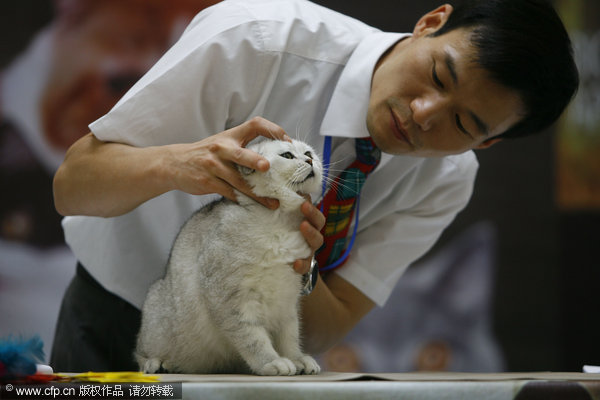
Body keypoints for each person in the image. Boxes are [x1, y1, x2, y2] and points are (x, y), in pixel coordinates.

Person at [50, 0, 578, 371]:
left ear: (484, 145)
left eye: (463, 125)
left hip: (255, 359)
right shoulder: (255, 40)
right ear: (430, 22)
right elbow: (73, 186)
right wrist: (180, 164)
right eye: (440, 76)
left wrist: (302, 263)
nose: (423, 115)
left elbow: (328, 327)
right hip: (115, 319)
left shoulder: (445, 181)